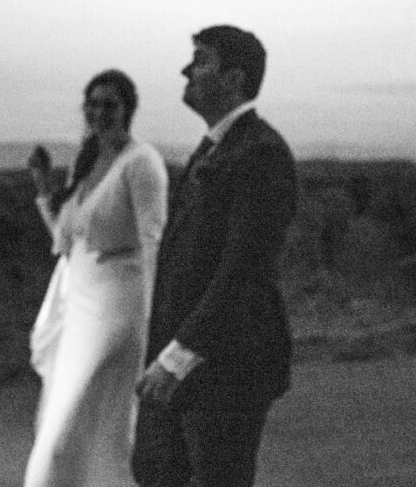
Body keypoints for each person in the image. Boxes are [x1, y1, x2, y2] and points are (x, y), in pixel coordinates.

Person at [132, 25, 298, 487]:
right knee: (156, 473)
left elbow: (243, 268)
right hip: (186, 357)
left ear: (234, 79)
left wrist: (179, 357)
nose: (188, 70)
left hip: (229, 364)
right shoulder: (215, 147)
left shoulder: (261, 153)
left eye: (201, 60)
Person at [24, 69, 169, 487]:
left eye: (110, 104)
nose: (99, 112)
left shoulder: (142, 163)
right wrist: (41, 186)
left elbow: (152, 244)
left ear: (128, 109)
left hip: (118, 311)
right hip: (78, 308)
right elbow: (66, 241)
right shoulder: (87, 162)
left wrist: (154, 324)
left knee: (72, 429)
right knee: (68, 426)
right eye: (92, 103)